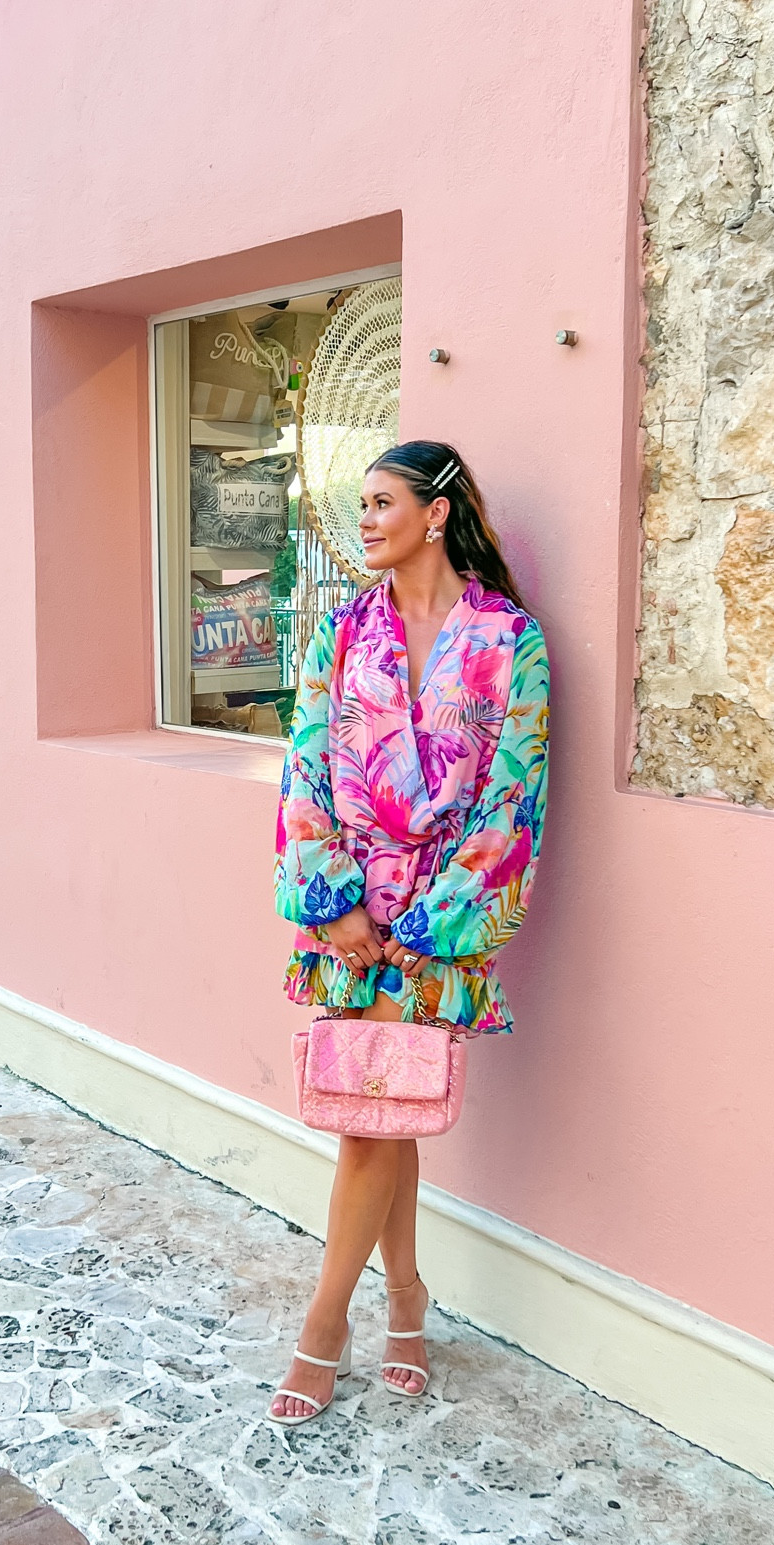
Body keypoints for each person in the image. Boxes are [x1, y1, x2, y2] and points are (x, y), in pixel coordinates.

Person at [270, 440, 549, 1423]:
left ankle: (327, 1318)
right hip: (346, 918)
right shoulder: (341, 634)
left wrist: (434, 926)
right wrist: (334, 903)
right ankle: (401, 1298)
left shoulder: (511, 640)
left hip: (441, 924)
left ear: (436, 513)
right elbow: (303, 768)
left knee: (375, 1120)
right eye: (361, 504)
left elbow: (515, 794)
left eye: (383, 501)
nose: (367, 519)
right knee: (374, 1115)